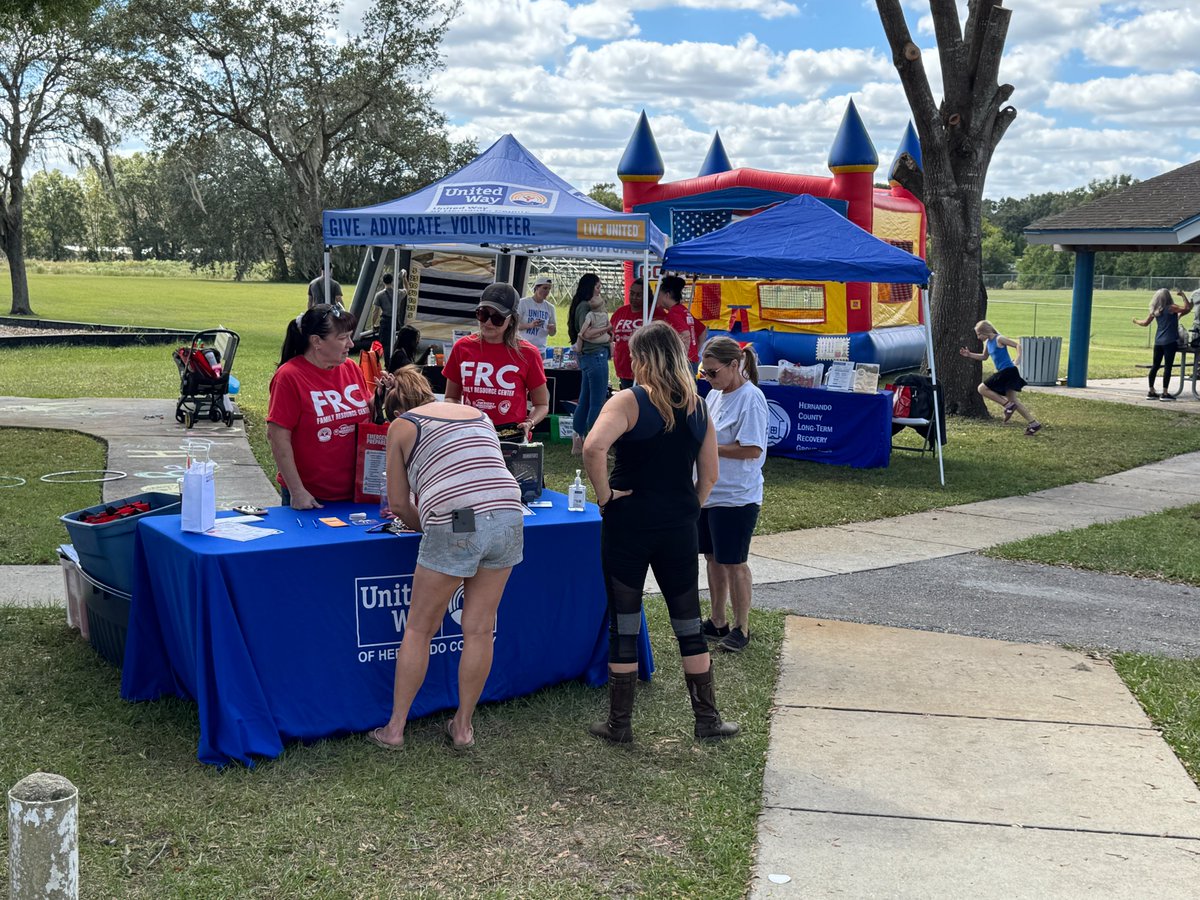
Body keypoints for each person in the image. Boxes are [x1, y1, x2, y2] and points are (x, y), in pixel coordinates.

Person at [583, 321, 738, 744]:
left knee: (625, 623)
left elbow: (594, 447)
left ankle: (620, 724)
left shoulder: (628, 401)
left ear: (643, 358)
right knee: (688, 620)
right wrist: (688, 504)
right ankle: (706, 719)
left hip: (629, 522)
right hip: (678, 525)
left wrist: (604, 496)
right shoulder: (698, 405)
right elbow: (710, 474)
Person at [368, 366, 525, 751]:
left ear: (393, 408)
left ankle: (395, 729)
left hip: (458, 520)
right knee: (479, 628)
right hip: (508, 511)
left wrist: (427, 526)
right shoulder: (477, 413)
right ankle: (463, 727)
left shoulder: (401, 427)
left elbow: (399, 503)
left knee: (419, 629)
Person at [267, 304, 395, 509]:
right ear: (316, 341)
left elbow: (361, 413)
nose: (351, 344)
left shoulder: (350, 368)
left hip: (356, 492)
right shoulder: (289, 377)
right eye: (343, 338)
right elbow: (277, 437)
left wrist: (380, 396)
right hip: (312, 496)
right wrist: (297, 491)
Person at [697, 337, 768, 653]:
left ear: (735, 365)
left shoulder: (751, 399)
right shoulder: (714, 395)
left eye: (713, 372)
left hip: (736, 496)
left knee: (734, 562)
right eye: (705, 372)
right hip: (710, 492)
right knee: (713, 558)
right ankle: (717, 620)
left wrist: (709, 447)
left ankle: (742, 627)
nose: (709, 378)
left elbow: (752, 448)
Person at [443, 283, 550, 442]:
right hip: (470, 436)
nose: (487, 323)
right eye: (483, 314)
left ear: (512, 320)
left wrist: (529, 422)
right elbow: (451, 396)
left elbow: (542, 404)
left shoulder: (528, 353)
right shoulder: (462, 347)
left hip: (510, 439)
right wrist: (459, 418)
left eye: (497, 318)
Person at [959, 320, 1042, 436]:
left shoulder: (999, 339)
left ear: (985, 332)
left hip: (1008, 371)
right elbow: (984, 357)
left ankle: (1007, 405)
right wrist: (969, 354)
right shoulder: (988, 343)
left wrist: (1018, 359)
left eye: (979, 334)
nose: (978, 337)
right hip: (1006, 372)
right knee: (1014, 401)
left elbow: (1017, 345)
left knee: (981, 389)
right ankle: (1034, 424)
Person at [567, 273, 612, 453]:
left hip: (587, 357)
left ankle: (578, 440)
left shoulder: (579, 305)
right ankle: (593, 444)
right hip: (596, 355)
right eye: (598, 287)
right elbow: (587, 333)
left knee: (585, 400)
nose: (599, 291)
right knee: (596, 402)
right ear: (592, 287)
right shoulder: (586, 307)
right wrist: (608, 328)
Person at [1132, 288, 1194, 400]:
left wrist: (1136, 321)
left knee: (1155, 366)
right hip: (1170, 342)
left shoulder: (1156, 310)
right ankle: (1165, 393)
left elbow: (1145, 323)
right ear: (1168, 297)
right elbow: (1187, 308)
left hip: (1158, 342)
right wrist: (1183, 295)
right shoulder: (1171, 308)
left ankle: (1151, 391)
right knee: (1168, 367)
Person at [610, 277, 667, 389]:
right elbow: (610, 335)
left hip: (646, 368)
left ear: (646, 296)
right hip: (623, 367)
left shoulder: (655, 313)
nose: (634, 297)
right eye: (632, 293)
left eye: (639, 295)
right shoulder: (620, 312)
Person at [658, 274, 700, 372]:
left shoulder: (673, 314)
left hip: (685, 363)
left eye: (659, 294)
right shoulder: (683, 310)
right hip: (692, 360)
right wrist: (694, 352)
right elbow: (703, 330)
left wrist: (681, 360)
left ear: (667, 295)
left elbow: (685, 335)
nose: (657, 298)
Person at [516, 275, 557, 351]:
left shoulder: (550, 307)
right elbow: (514, 326)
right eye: (544, 288)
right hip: (523, 348)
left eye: (549, 289)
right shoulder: (523, 303)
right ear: (537, 288)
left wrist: (551, 329)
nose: (547, 291)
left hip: (540, 350)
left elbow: (552, 333)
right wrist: (530, 325)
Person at [372, 273, 406, 360]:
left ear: (383, 281)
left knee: (386, 344)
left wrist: (373, 324)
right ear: (392, 281)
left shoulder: (379, 295)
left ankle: (388, 363)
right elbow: (407, 289)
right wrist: (404, 278)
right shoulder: (398, 293)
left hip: (385, 321)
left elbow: (375, 311)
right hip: (395, 320)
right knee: (396, 342)